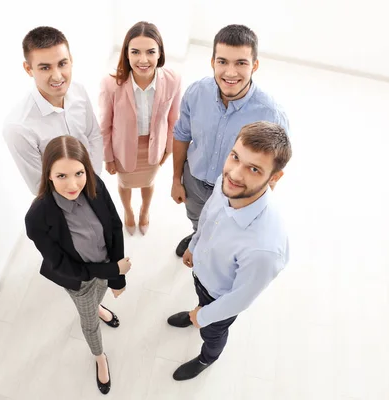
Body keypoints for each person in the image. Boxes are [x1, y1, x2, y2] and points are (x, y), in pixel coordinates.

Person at [167, 122, 292, 381]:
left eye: (254, 169)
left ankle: (207, 357)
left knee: (213, 333)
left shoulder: (265, 250)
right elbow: (207, 219)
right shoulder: (228, 184)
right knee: (201, 305)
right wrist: (194, 246)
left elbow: (239, 299)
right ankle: (197, 312)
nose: (235, 173)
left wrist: (204, 316)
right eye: (235, 156)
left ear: (274, 178)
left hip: (219, 298)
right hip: (203, 277)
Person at [24, 136, 131, 394]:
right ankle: (99, 356)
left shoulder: (95, 185)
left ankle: (98, 306)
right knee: (88, 321)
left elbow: (115, 228)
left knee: (99, 295)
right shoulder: (37, 217)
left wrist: (116, 278)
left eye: (79, 173)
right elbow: (63, 265)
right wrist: (113, 271)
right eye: (61, 176)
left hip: (105, 266)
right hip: (78, 281)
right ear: (48, 174)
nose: (73, 184)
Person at [171, 24, 289, 256]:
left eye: (241, 63)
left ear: (254, 65)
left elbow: (273, 169)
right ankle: (198, 234)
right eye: (223, 61)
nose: (230, 72)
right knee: (198, 219)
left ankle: (211, 249)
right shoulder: (196, 93)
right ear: (212, 61)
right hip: (194, 182)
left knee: (224, 234)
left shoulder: (271, 114)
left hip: (235, 192)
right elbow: (182, 136)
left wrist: (253, 206)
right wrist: (177, 179)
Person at [99, 21, 181, 235]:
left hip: (154, 147)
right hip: (123, 150)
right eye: (135, 52)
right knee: (125, 184)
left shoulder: (173, 80)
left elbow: (174, 119)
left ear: (160, 53)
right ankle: (127, 211)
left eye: (150, 52)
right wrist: (107, 157)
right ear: (126, 53)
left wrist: (169, 149)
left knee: (148, 181)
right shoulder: (111, 84)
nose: (143, 60)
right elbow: (105, 125)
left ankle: (145, 210)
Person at [4, 26, 103, 195]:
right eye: (45, 68)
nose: (57, 76)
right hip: (59, 204)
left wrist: (91, 181)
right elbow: (39, 186)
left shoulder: (79, 91)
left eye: (62, 64)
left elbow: (93, 135)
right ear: (29, 69)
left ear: (71, 60)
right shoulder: (18, 127)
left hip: (94, 186)